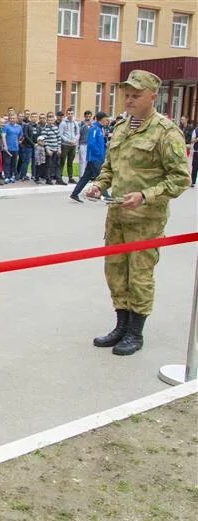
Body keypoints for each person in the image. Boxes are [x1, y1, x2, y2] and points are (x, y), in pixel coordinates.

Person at [85, 70, 189, 356]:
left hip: (146, 221)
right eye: (127, 95)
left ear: (152, 97)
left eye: (136, 95)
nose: (129, 100)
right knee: (115, 272)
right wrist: (99, 184)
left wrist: (145, 195)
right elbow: (110, 167)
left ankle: (135, 332)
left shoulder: (166, 132)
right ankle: (121, 326)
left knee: (140, 276)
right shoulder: (121, 128)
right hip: (117, 217)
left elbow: (180, 178)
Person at [71, 112, 111, 201]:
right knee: (100, 177)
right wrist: (99, 154)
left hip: (97, 157)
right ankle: (106, 196)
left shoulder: (100, 129)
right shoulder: (94, 129)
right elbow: (91, 143)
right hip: (94, 158)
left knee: (85, 177)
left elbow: (99, 142)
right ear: (101, 119)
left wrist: (105, 146)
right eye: (106, 119)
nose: (107, 121)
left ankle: (74, 194)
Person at [59, 107, 79, 183]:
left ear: (73, 114)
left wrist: (75, 140)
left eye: (71, 113)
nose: (70, 115)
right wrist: (68, 141)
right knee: (62, 161)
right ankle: (60, 177)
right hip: (65, 145)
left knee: (70, 162)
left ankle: (70, 177)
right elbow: (60, 134)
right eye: (69, 113)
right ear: (66, 114)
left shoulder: (75, 123)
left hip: (73, 145)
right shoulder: (63, 123)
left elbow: (78, 133)